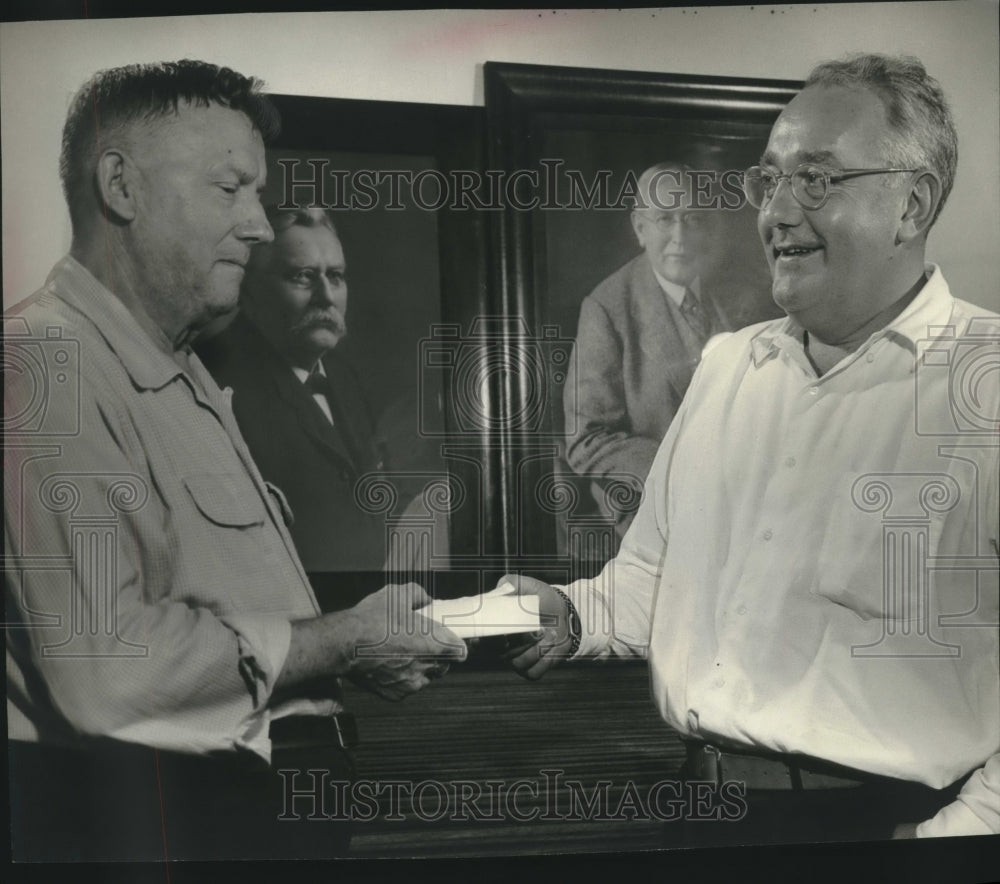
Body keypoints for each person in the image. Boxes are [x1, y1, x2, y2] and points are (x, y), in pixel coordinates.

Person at [508, 53, 999, 844]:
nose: (776, 212)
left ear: (912, 204)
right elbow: (650, 583)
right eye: (768, 181)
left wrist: (950, 841)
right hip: (699, 815)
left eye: (816, 179)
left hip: (882, 833)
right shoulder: (728, 367)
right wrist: (568, 614)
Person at [3, 60, 464, 862]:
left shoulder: (177, 370)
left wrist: (357, 639)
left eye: (258, 194)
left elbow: (221, 612)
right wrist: (339, 641)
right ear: (120, 186)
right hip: (177, 832)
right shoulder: (46, 366)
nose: (258, 226)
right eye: (230, 189)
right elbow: (110, 672)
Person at [197, 207, 388, 610]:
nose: (326, 296)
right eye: (303, 277)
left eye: (336, 277)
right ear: (249, 290)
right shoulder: (211, 380)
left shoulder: (345, 378)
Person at [563, 163, 745, 538]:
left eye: (693, 219)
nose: (680, 236)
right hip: (653, 512)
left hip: (742, 503)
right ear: (639, 228)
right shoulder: (606, 309)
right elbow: (586, 439)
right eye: (664, 219)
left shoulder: (743, 292)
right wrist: (683, 471)